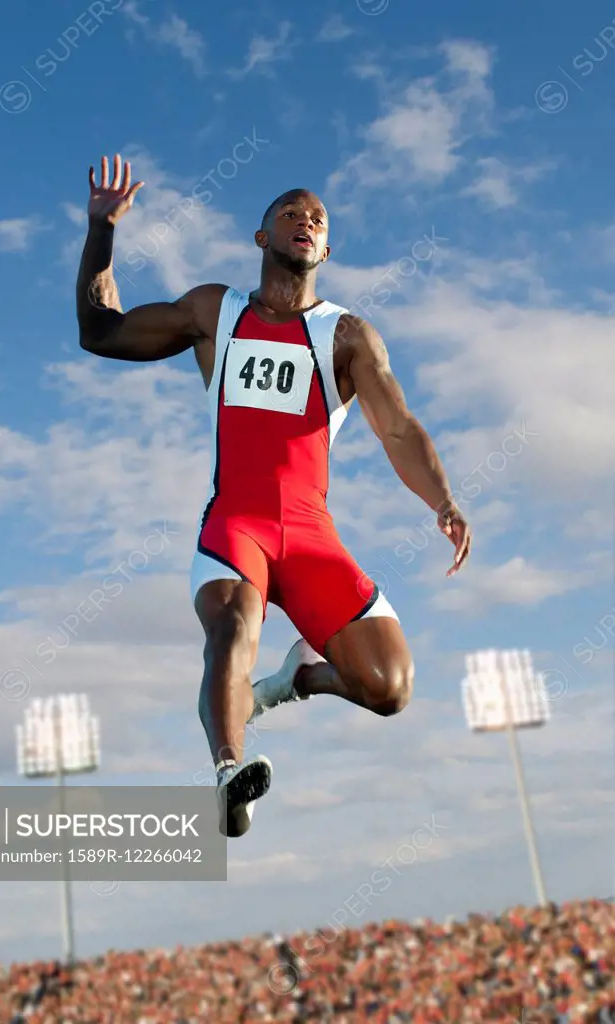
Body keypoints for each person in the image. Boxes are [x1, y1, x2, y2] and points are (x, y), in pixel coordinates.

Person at [76, 154, 472, 838]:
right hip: (238, 525)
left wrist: (442, 500)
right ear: (262, 237)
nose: (306, 220)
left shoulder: (347, 336)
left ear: (328, 247)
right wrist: (102, 232)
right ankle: (231, 773)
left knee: (390, 687)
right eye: (291, 212)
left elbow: (398, 427)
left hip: (311, 536)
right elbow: (100, 331)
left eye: (318, 218)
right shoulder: (214, 312)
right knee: (231, 627)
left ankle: (294, 681)